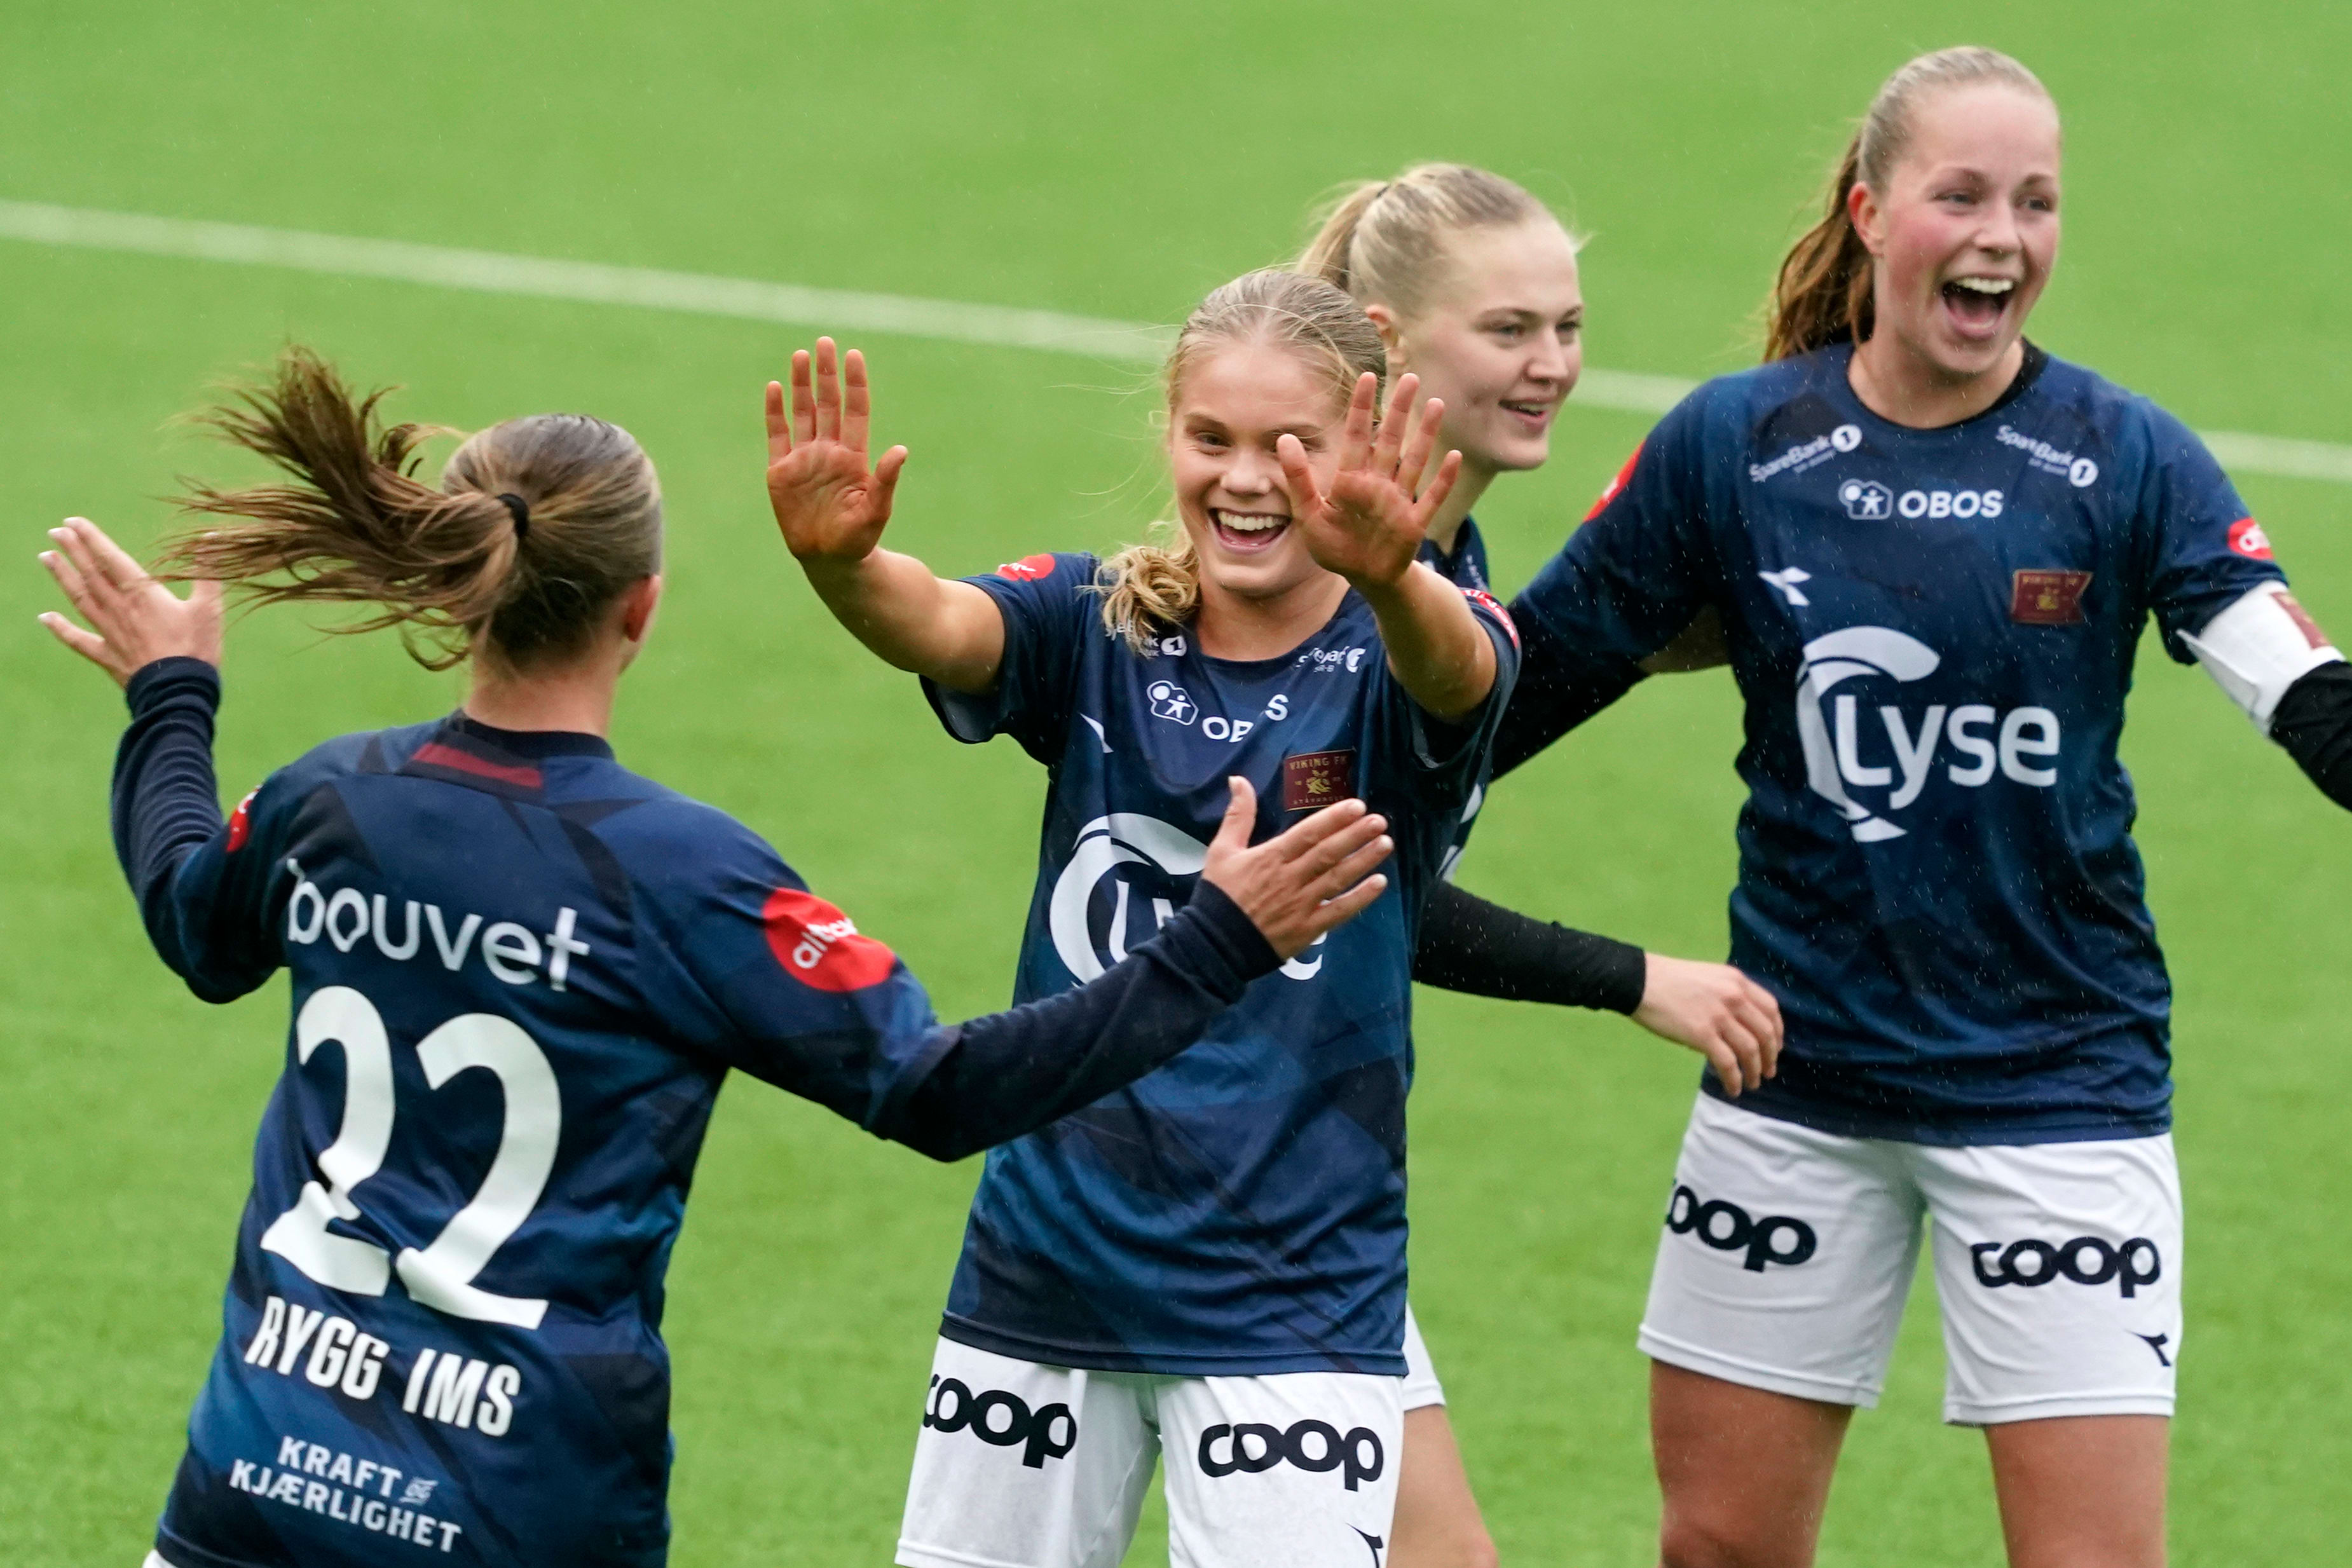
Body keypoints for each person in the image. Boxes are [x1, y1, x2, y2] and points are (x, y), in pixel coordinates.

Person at [36, 348, 1397, 1568]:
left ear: (463, 586)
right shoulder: (681, 875)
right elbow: (936, 1092)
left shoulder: (334, 801)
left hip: (258, 1480)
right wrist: (1211, 945)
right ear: (642, 607)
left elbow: (191, 918)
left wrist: (172, 696)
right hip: (523, 1507)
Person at [1433, 44, 2352, 1568]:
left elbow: (2302, 691)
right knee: (1717, 1550)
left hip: (2059, 1092)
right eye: (1961, 196)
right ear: (1868, 215)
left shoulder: (2124, 458)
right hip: (1791, 1083)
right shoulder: (1733, 449)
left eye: (2035, 202)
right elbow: (1504, 696)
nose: (2002, 236)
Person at [761, 269, 1519, 1568]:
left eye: (1290, 445)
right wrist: (843, 568)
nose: (1245, 479)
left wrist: (1395, 577)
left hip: (1289, 1294)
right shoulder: (1096, 618)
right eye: (1209, 437)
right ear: (1168, 434)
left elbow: (1459, 673)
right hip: (1045, 1267)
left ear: (1360, 446)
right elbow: (939, 622)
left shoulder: (1408, 648)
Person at [1294, 163, 1785, 1568]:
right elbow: (1340, 890)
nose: (1552, 365)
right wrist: (1631, 978)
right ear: (1388, 343)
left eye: (1566, 327)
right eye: (1508, 330)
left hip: (1290, 1161)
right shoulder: (1325, 563)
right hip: (1209, 1160)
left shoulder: (1435, 548)